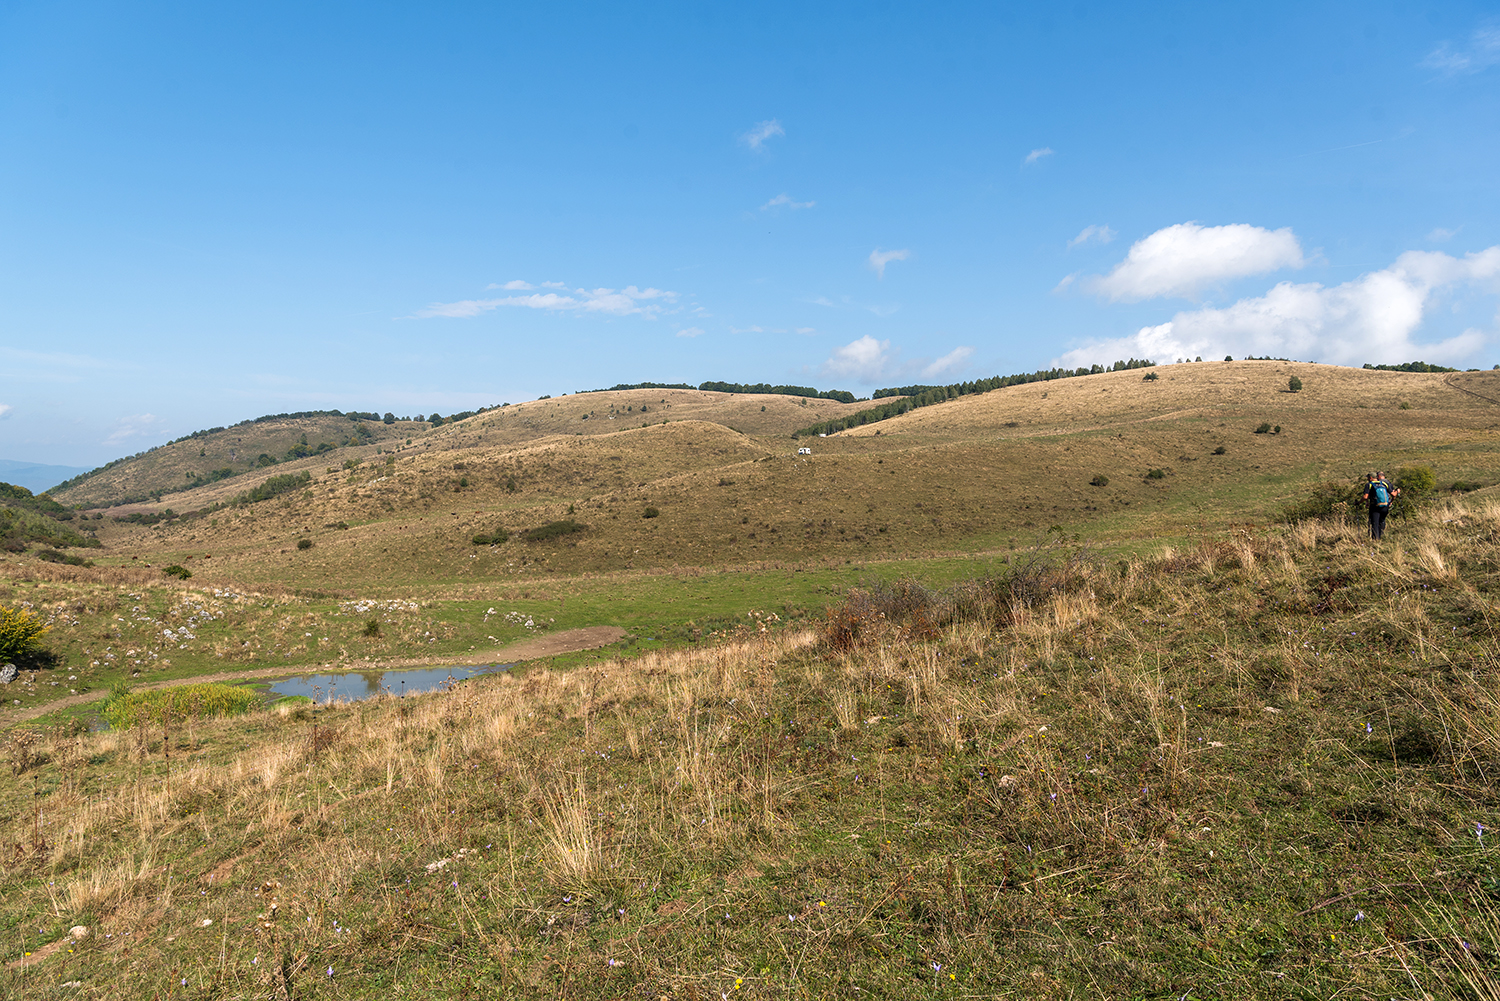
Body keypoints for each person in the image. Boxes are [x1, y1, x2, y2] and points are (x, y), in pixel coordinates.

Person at [1361, 471, 1398, 541]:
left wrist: (1359, 502)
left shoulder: (1369, 484)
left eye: (1368, 478)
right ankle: (1382, 537)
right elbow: (1393, 494)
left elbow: (1365, 497)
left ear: (1371, 478)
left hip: (1375, 507)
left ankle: (1376, 540)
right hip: (1385, 506)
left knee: (1375, 523)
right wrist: (1397, 491)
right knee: (1381, 521)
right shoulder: (1384, 483)